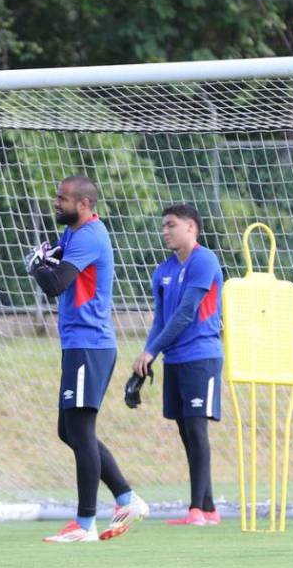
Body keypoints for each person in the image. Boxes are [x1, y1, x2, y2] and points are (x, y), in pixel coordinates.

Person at [27, 175, 148, 543]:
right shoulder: (73, 236)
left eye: (62, 198)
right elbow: (59, 267)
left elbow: (56, 284)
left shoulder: (91, 235)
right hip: (80, 345)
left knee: (80, 430)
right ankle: (126, 498)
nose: (55, 202)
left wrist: (37, 266)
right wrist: (47, 259)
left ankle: (84, 524)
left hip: (89, 345)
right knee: (70, 430)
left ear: (83, 204)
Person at [133, 204, 224, 526]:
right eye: (164, 226)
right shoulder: (163, 270)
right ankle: (209, 508)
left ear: (191, 227)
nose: (165, 231)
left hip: (202, 356)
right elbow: (162, 318)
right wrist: (148, 353)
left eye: (171, 225)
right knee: (187, 432)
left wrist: (153, 349)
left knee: (197, 431)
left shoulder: (205, 260)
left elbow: (187, 312)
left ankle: (196, 510)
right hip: (175, 359)